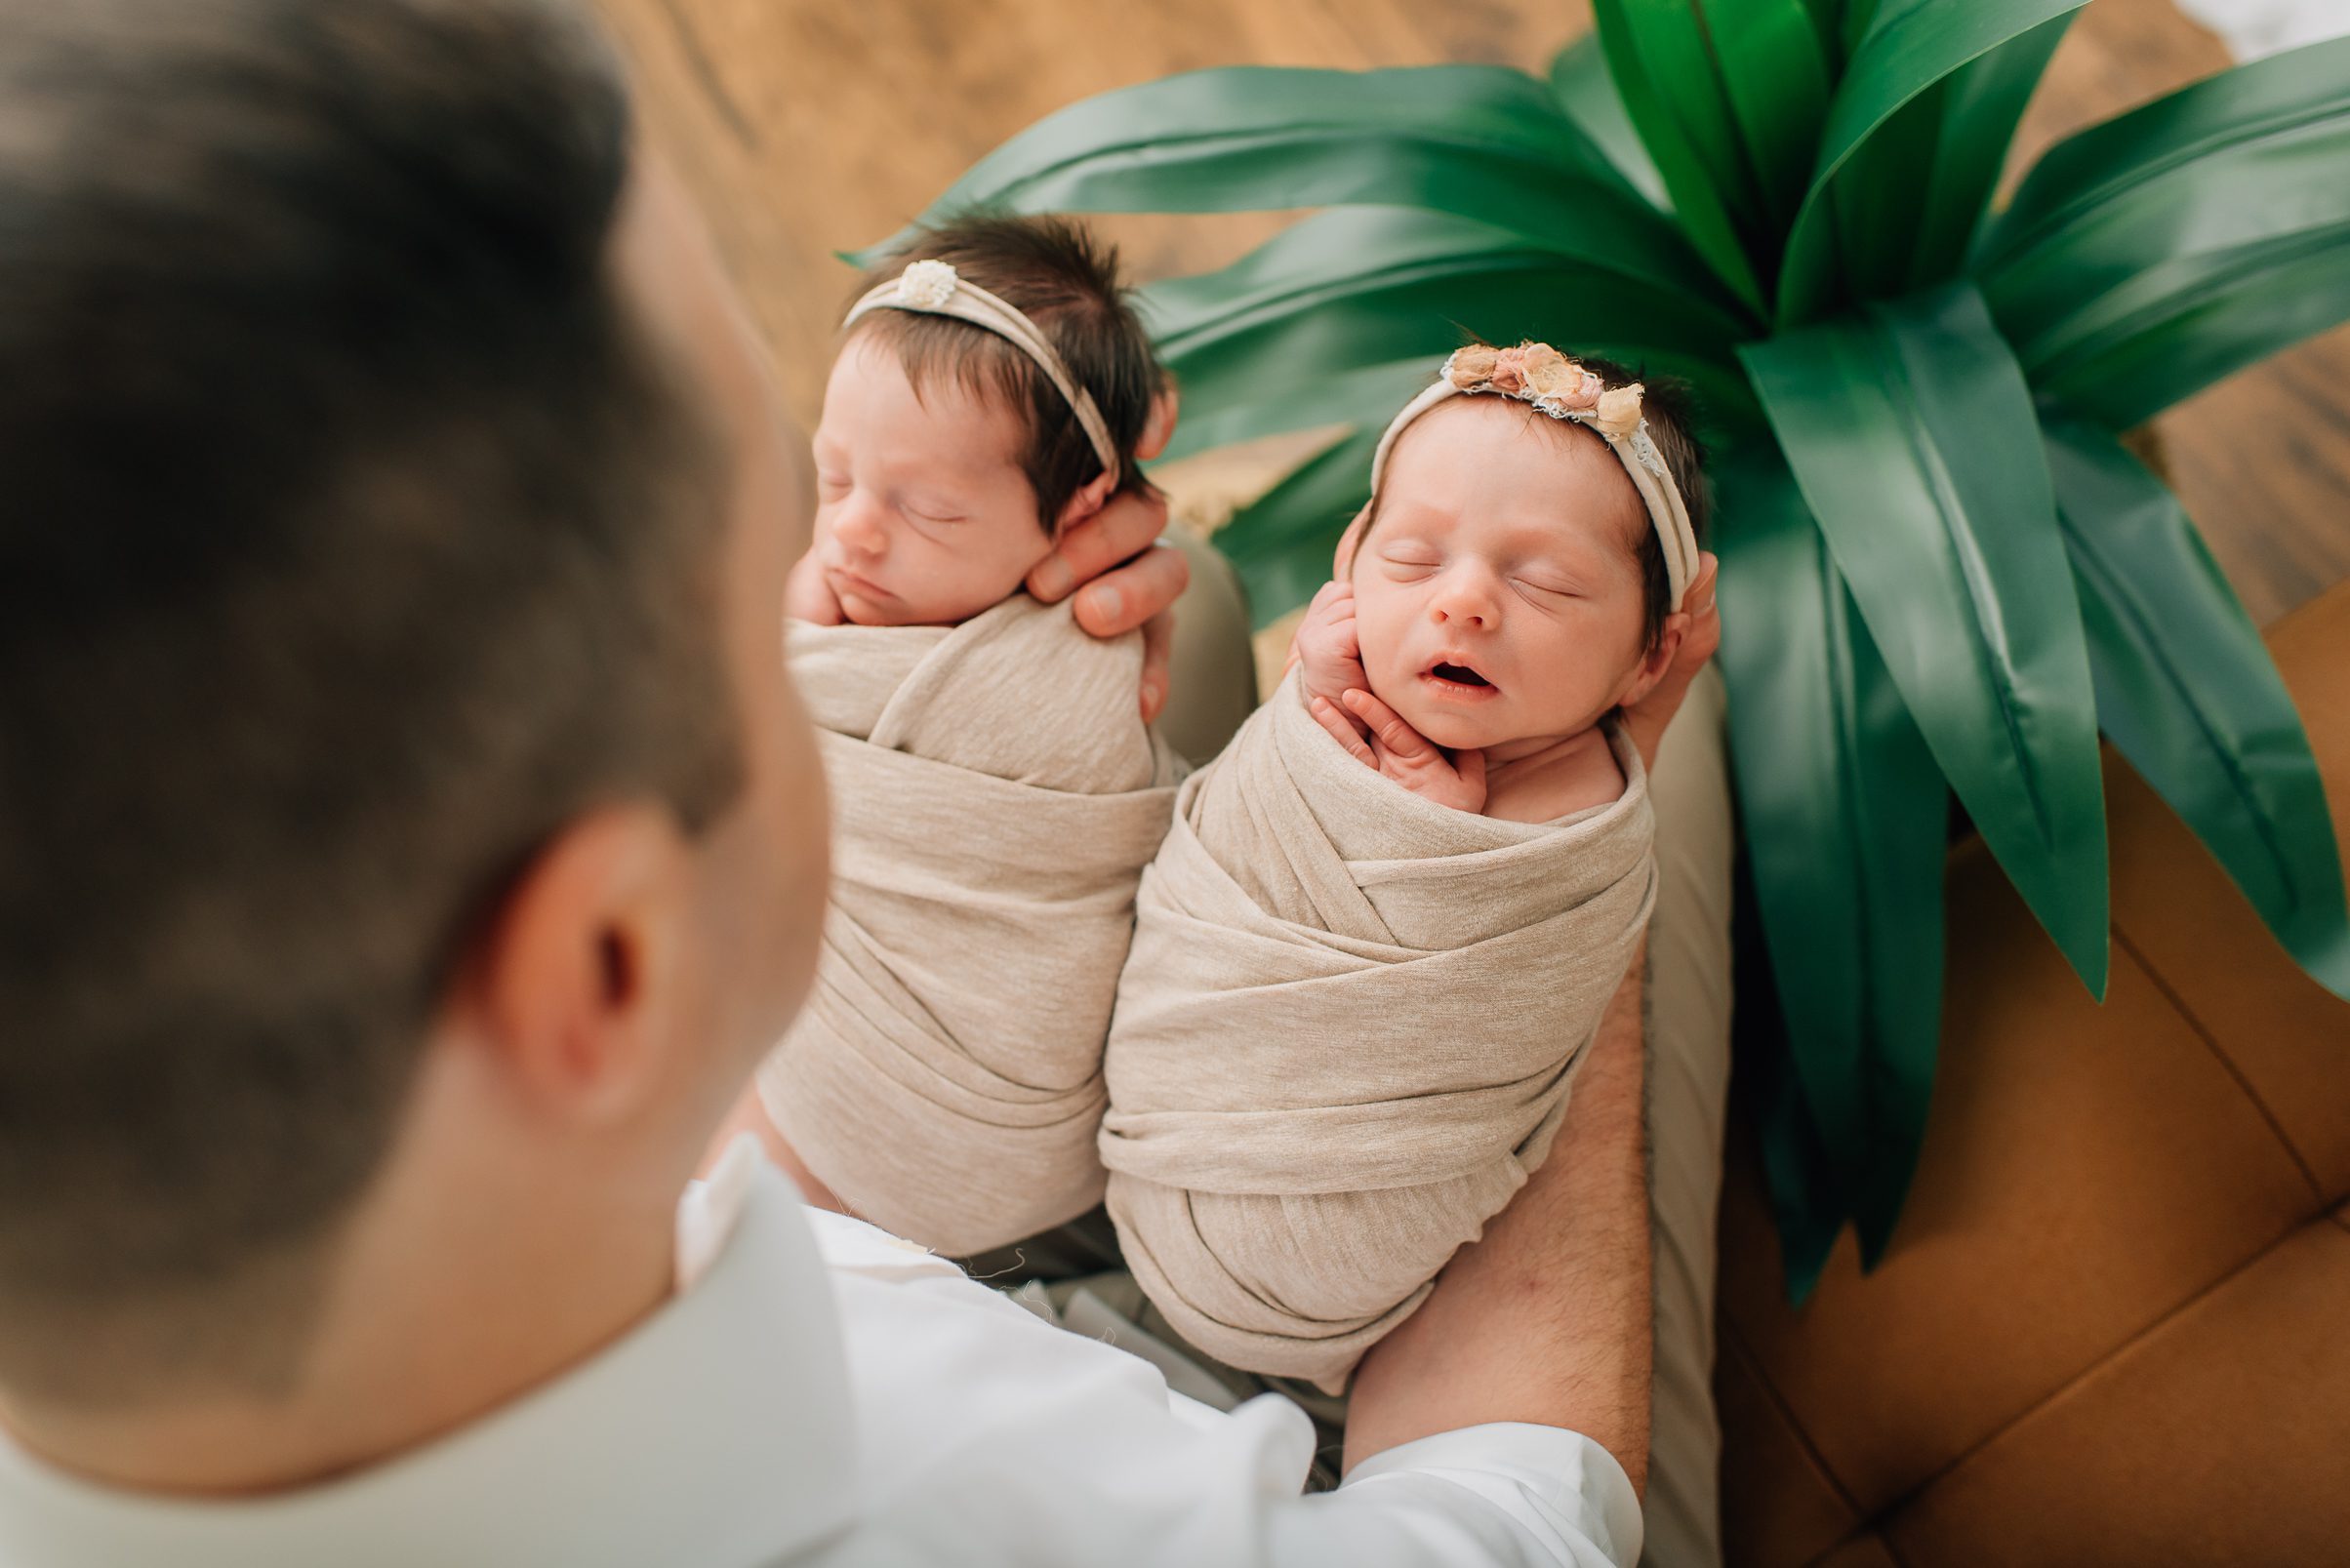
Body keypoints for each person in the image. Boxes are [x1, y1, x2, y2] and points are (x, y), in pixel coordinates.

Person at [0, 2, 1709, 1563]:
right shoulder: (985, 1471)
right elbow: (1511, 1518)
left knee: (1180, 640)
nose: (829, 580)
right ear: (609, 964)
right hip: (1312, 1300)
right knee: (1691, 793)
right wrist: (1540, 834)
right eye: (764, 604)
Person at [1097, 343, 1710, 1390]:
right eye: (1412, 559)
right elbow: (1249, 823)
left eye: (1549, 581)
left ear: (1649, 655)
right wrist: (1307, 709)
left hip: (1317, 1233)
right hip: (1175, 1124)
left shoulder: (1581, 811)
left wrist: (1423, 834)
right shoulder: (1355, 679)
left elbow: (1483, 965)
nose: (1463, 602)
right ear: (1348, 557)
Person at [746, 215, 1188, 1254]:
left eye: (930, 510)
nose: (852, 529)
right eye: (834, 476)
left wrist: (794, 651)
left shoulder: (1068, 673)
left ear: (1080, 511)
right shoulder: (847, 586)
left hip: (978, 1107)